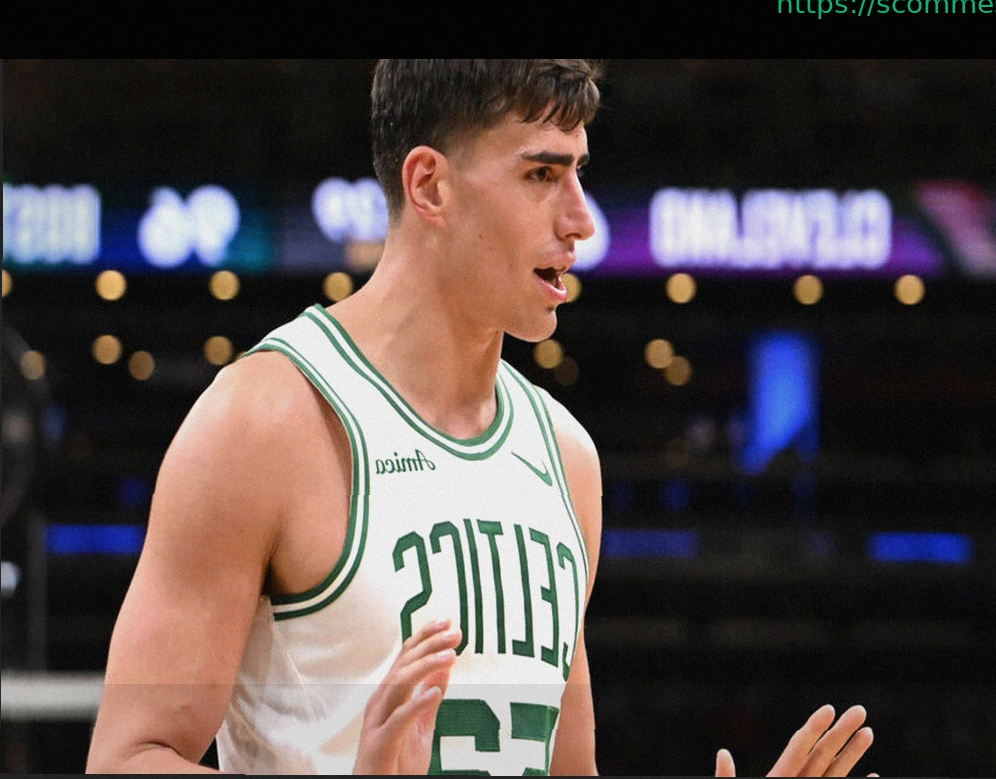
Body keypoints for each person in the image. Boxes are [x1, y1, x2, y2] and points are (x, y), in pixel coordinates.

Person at [85, 59, 876, 775]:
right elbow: (127, 757)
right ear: (429, 185)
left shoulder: (566, 456)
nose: (581, 220)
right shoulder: (267, 420)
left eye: (578, 174)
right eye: (541, 174)